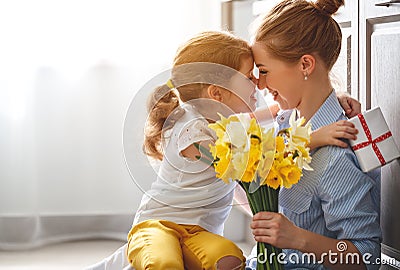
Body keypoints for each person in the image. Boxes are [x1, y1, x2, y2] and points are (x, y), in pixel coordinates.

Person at [127, 30, 361, 270]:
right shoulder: (191, 132)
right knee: (164, 263)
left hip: (199, 233)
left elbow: (279, 110)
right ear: (216, 94)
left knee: (230, 259)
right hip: (158, 225)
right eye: (249, 77)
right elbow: (253, 159)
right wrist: (313, 138)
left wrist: (333, 98)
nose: (258, 83)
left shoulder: (222, 118)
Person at [249, 0, 381, 269]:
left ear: (305, 65)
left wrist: (299, 239)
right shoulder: (285, 121)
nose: (260, 84)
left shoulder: (334, 156)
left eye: (263, 71)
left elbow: (367, 256)